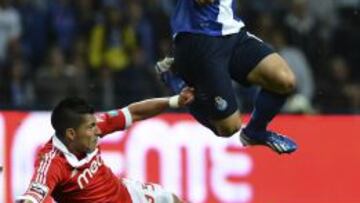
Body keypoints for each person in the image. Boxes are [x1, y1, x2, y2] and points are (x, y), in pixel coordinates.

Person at [155, 0, 297, 154]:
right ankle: (176, 81)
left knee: (284, 80)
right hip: (199, 38)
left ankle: (255, 131)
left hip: (232, 31)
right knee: (229, 128)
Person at [16, 87, 194, 203]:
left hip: (128, 194)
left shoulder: (94, 126)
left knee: (172, 200)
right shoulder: (53, 162)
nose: (97, 130)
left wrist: (175, 101)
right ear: (71, 134)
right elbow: (33, 195)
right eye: (91, 127)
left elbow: (133, 112)